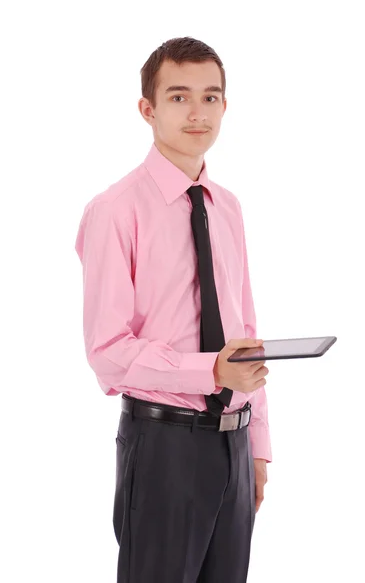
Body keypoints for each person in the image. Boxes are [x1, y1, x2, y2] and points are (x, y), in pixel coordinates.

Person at [74, 36, 272, 583]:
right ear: (148, 109)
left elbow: (245, 332)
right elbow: (107, 353)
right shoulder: (116, 211)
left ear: (225, 107)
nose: (197, 112)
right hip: (164, 447)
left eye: (211, 97)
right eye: (180, 96)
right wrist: (208, 371)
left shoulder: (227, 208)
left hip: (234, 441)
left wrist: (257, 444)